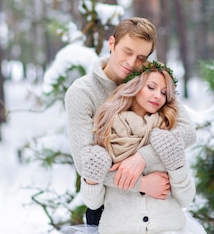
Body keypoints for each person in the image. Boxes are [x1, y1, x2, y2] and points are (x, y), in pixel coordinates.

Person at [64, 17, 196, 226]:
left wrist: (143, 157)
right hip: (109, 209)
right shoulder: (82, 93)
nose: (132, 63)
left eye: (141, 57)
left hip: (157, 208)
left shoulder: (151, 80)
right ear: (112, 43)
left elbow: (187, 132)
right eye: (127, 52)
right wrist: (141, 183)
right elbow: (86, 163)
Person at [77, 60, 205, 234]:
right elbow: (93, 202)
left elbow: (186, 198)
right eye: (151, 87)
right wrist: (92, 177)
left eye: (164, 92)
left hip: (169, 228)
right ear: (134, 86)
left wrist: (176, 164)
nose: (158, 96)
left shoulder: (167, 132)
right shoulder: (106, 131)